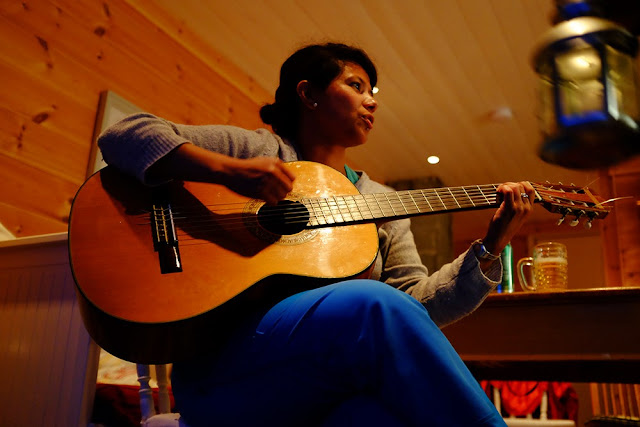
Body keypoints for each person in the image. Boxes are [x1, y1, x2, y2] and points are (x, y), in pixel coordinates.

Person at [98, 43, 534, 427]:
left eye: (372, 92)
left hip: (322, 387)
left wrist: (490, 247)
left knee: (380, 416)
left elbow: (415, 307)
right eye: (357, 86)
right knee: (372, 303)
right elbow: (123, 136)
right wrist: (228, 171)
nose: (372, 102)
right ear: (307, 94)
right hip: (223, 380)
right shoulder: (259, 151)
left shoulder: (380, 201)